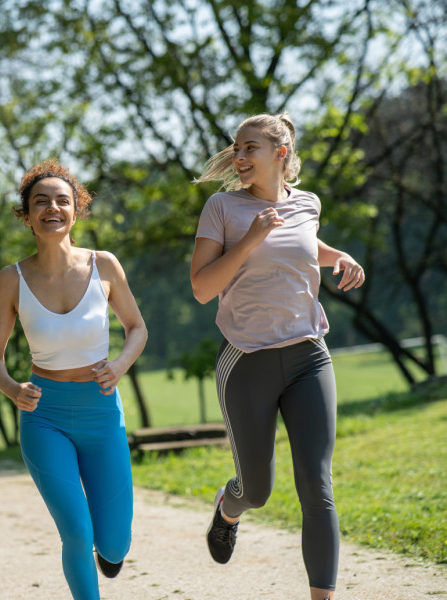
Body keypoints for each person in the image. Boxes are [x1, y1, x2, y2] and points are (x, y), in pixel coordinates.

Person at [190, 113, 365, 600]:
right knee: (259, 491)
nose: (239, 157)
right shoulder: (222, 208)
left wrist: (341, 257)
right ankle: (230, 507)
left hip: (310, 355)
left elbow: (306, 246)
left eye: (250, 148)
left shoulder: (307, 203)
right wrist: (250, 239)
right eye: (236, 149)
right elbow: (202, 288)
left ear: (280, 154)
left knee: (317, 483)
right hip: (246, 362)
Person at [0, 159, 148, 599]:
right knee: (76, 531)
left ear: (77, 210)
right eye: (41, 202)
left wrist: (120, 365)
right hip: (44, 416)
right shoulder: (11, 279)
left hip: (100, 411)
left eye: (62, 200)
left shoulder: (104, 265)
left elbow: (137, 328)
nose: (52, 208)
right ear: (26, 214)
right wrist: (13, 389)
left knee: (114, 543)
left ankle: (108, 553)